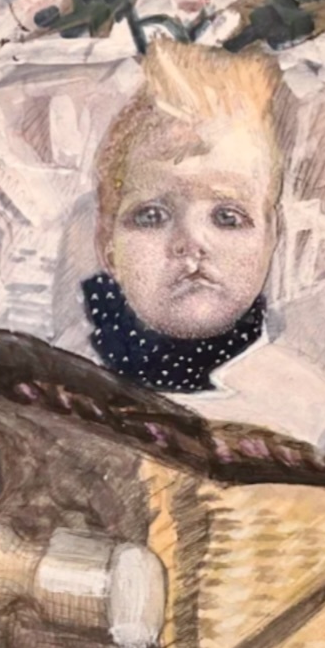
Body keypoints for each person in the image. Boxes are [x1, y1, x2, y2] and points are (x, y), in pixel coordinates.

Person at [83, 39, 284, 394]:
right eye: (151, 216)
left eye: (227, 217)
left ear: (270, 237)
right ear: (107, 244)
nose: (191, 241)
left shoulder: (298, 389)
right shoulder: (62, 372)